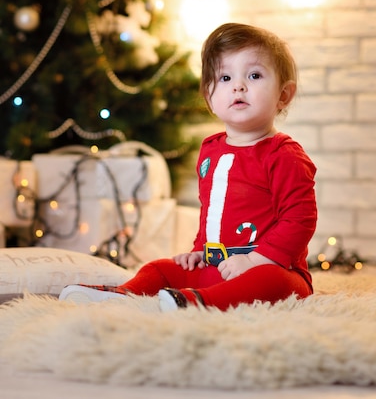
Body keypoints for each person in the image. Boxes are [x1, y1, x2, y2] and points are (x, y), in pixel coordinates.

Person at [60, 22, 317, 311]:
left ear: (284, 95)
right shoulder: (211, 150)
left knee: (271, 282)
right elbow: (211, 213)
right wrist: (199, 252)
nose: (238, 85)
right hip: (218, 265)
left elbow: (300, 218)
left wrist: (256, 260)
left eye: (254, 75)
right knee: (161, 268)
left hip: (272, 268)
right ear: (209, 96)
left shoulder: (284, 154)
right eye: (225, 77)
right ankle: (125, 293)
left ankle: (197, 303)